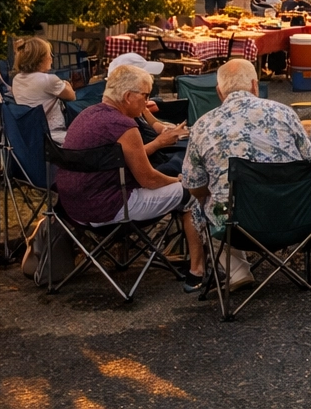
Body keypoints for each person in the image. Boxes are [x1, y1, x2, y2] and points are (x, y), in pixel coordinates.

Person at [58, 63, 203, 290]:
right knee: (192, 193)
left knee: (174, 184)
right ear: (127, 96)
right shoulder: (124, 125)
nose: (147, 102)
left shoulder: (86, 116)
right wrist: (179, 182)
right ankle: (198, 271)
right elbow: (149, 180)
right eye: (145, 96)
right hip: (110, 210)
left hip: (72, 210)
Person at [182, 59, 311, 289]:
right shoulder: (285, 113)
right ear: (255, 85)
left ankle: (236, 270)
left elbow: (194, 186)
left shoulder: (202, 125)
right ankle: (243, 269)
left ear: (219, 92)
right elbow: (309, 163)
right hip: (294, 213)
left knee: (197, 202)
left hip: (235, 222)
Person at [10, 37, 75, 142]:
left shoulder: (17, 79)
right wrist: (66, 83)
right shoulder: (48, 80)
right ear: (40, 59)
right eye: (49, 54)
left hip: (28, 132)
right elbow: (71, 96)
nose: (51, 58)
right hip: (52, 134)